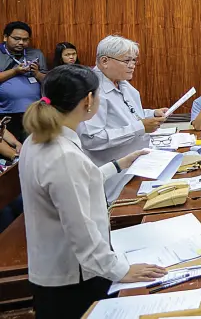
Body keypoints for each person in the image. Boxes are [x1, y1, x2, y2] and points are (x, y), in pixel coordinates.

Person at [19, 65, 167, 319]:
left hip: (53, 267)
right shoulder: (63, 154)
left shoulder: (37, 140)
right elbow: (80, 228)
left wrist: (119, 164)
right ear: (88, 101)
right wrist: (120, 270)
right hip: (74, 278)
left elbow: (76, 185)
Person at [77, 35, 168, 203]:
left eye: (134, 60)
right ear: (105, 61)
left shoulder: (121, 82)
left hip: (137, 167)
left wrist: (151, 114)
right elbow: (92, 138)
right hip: (115, 178)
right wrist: (140, 127)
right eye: (127, 61)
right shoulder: (93, 89)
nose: (132, 65)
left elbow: (129, 114)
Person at [0, 21, 47, 142]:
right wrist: (15, 71)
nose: (21, 42)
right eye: (16, 38)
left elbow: (47, 81)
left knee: (32, 148)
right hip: (6, 112)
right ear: (5, 37)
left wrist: (37, 73)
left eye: (25, 40)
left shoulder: (36, 54)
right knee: (11, 149)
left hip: (33, 112)